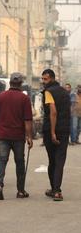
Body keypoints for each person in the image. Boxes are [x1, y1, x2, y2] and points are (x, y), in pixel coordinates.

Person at [0, 72, 33, 200]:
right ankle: (21, 191)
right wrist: (29, 137)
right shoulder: (25, 99)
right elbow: (27, 120)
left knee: (2, 160)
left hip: (2, 136)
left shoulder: (1, 96)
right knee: (19, 162)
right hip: (18, 137)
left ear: (10, 83)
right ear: (21, 84)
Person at [40, 69, 71, 201]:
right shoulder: (65, 92)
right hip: (64, 129)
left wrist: (52, 132)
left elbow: (53, 112)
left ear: (51, 78)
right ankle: (55, 190)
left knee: (52, 161)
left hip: (50, 130)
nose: (43, 82)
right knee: (59, 161)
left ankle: (56, 190)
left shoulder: (48, 91)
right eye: (42, 79)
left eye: (45, 79)